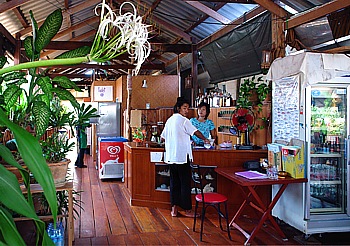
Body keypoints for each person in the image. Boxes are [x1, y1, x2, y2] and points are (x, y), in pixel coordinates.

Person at [160, 97, 210, 217]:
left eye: (187, 108)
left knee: (174, 183)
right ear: (178, 108)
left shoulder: (169, 120)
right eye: (184, 108)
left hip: (171, 157)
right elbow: (195, 132)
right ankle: (188, 210)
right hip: (182, 157)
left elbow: (162, 138)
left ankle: (174, 209)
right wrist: (205, 139)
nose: (187, 110)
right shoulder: (183, 120)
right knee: (185, 184)